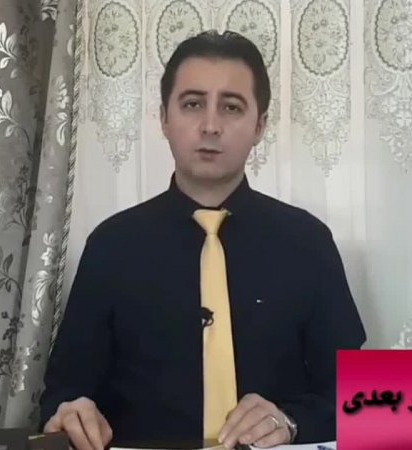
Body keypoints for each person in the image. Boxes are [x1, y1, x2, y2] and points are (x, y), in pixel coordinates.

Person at [40, 30, 366, 450]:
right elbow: (63, 392)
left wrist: (291, 421)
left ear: (259, 125)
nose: (211, 126)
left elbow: (356, 396)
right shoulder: (111, 246)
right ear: (164, 118)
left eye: (231, 107)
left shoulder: (309, 242)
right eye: (193, 104)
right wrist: (71, 413)